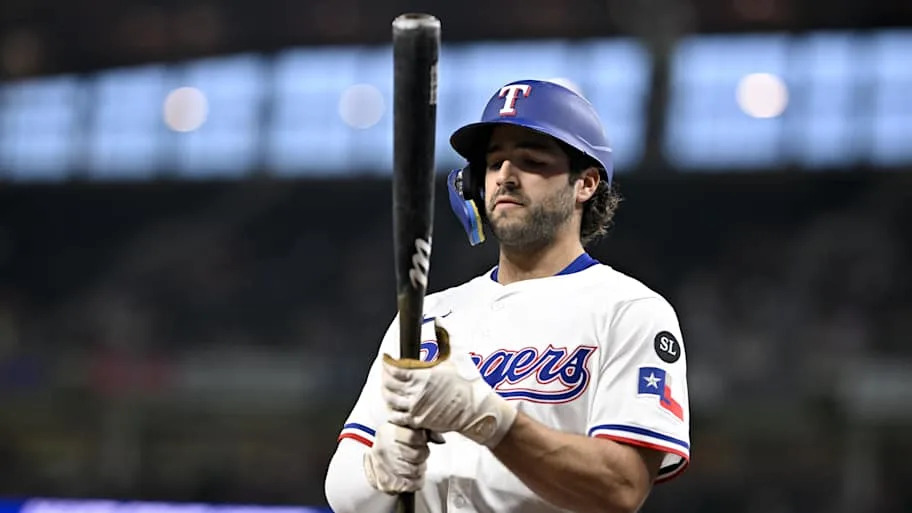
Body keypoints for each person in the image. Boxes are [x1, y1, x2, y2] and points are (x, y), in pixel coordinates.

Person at [324, 79, 690, 513]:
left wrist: (492, 419)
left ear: (586, 183)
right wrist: (377, 472)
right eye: (494, 163)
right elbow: (341, 490)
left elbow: (620, 487)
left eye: (531, 162)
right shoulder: (428, 315)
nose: (505, 177)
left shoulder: (630, 311)